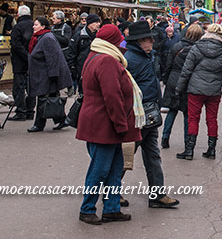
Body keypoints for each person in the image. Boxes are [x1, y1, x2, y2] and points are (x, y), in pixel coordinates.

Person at [76, 25, 142, 225]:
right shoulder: (107, 60)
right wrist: (121, 124)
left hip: (101, 123)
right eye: (120, 38)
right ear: (113, 41)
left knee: (114, 168)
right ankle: (87, 209)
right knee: (100, 169)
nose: (122, 42)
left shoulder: (96, 55)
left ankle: (112, 208)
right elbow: (112, 96)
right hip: (104, 124)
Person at [121, 21, 179, 208]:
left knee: (152, 155)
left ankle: (157, 194)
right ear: (139, 41)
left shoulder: (145, 56)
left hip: (150, 113)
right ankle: (111, 192)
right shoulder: (131, 59)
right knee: (126, 156)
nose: (152, 42)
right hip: (139, 115)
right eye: (148, 39)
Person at [174, 23, 222, 160]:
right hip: (214, 91)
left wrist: (179, 89)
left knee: (193, 119)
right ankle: (211, 150)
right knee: (212, 119)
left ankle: (189, 151)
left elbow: (186, 71)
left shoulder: (196, 48)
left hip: (195, 90)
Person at [27, 16, 73, 132]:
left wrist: (53, 75)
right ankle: (62, 120)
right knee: (49, 99)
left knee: (43, 99)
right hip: (44, 74)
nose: (33, 26)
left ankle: (39, 124)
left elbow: (53, 58)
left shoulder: (47, 38)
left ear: (43, 26)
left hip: (48, 75)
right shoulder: (41, 37)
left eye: (36, 24)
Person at [160, 23, 202, 150]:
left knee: (172, 111)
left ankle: (165, 137)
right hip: (188, 81)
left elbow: (169, 65)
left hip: (174, 78)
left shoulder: (176, 46)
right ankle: (187, 141)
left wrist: (166, 79)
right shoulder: (197, 49)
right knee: (187, 113)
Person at [7, 5, 35, 121]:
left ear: (18, 15)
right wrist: (31, 56)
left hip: (19, 62)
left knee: (18, 87)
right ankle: (30, 111)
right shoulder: (34, 25)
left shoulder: (17, 27)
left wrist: (25, 55)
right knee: (31, 87)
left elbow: (16, 44)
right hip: (32, 61)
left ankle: (21, 111)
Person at [67, 13, 101, 89]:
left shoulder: (100, 36)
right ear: (89, 23)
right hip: (82, 70)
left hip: (96, 70)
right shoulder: (79, 36)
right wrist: (72, 68)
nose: (98, 24)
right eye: (96, 22)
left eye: (99, 22)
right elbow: (71, 52)